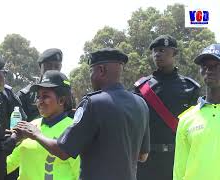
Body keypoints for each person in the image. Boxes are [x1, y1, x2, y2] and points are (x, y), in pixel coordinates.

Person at [15, 48, 150, 180]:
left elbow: (63, 151)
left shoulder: (93, 103)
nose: (90, 77)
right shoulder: (140, 103)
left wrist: (36, 134)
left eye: (91, 71)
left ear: (101, 70)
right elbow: (143, 156)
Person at [134, 35, 201, 180]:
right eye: (154, 51)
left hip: (178, 157)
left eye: (162, 50)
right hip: (147, 162)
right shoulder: (142, 88)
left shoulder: (190, 88)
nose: (157, 54)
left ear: (174, 53)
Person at [7, 70, 80, 180]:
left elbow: (80, 173)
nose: (40, 101)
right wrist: (8, 143)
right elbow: (9, 164)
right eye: (38, 97)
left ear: (61, 100)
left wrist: (37, 135)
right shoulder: (30, 126)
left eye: (45, 96)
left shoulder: (74, 129)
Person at [173, 44, 220, 180]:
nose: (209, 70)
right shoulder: (186, 119)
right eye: (204, 66)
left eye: (216, 65)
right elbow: (179, 169)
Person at [18, 48, 63, 121]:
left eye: (56, 66)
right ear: (40, 67)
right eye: (48, 66)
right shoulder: (25, 95)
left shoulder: (65, 92)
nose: (52, 69)